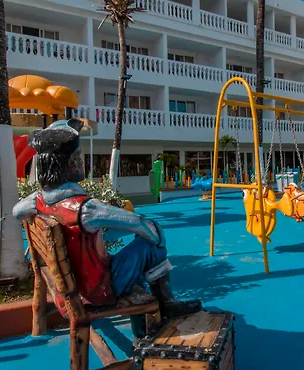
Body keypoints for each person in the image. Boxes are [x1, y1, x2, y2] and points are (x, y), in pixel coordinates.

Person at [13, 119, 202, 319]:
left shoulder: (38, 200)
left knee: (135, 250)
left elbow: (17, 211)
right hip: (96, 291)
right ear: (70, 163)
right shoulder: (86, 209)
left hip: (68, 288)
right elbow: (141, 224)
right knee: (151, 244)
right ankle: (167, 303)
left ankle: (148, 317)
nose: (81, 161)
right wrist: (154, 235)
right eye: (79, 155)